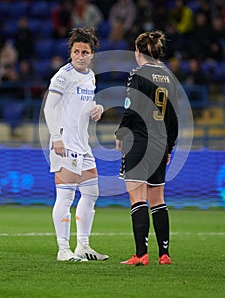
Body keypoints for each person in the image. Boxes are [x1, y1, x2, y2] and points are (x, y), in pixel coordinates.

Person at [44, 27, 109, 262]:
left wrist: (98, 108)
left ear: (92, 55)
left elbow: (85, 105)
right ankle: (63, 250)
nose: (80, 56)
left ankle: (83, 246)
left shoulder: (90, 76)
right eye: (76, 51)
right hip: (65, 143)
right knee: (65, 197)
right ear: (71, 53)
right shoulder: (63, 76)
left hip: (83, 145)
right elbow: (49, 108)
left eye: (85, 52)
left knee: (91, 193)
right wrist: (56, 137)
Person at [115, 30, 179, 266]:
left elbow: (131, 108)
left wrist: (121, 132)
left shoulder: (138, 74)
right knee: (158, 199)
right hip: (161, 144)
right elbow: (174, 117)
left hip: (139, 140)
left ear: (137, 51)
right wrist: (170, 146)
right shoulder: (170, 78)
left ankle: (141, 254)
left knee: (137, 197)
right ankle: (165, 254)